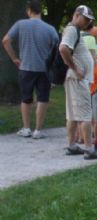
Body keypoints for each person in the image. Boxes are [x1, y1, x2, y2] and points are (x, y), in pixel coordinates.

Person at [2, 0, 59, 139]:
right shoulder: (50, 29)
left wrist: (14, 58)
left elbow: (5, 41)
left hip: (26, 67)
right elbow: (57, 45)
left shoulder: (20, 24)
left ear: (29, 10)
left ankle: (26, 128)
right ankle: (38, 130)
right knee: (43, 99)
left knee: (26, 99)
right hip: (44, 69)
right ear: (40, 11)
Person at [59, 5, 97, 160]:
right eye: (85, 18)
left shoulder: (74, 30)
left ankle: (72, 146)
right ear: (77, 14)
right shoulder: (72, 29)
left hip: (74, 79)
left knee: (72, 115)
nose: (87, 22)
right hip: (77, 79)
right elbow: (63, 49)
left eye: (89, 20)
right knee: (85, 114)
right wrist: (75, 68)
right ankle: (89, 149)